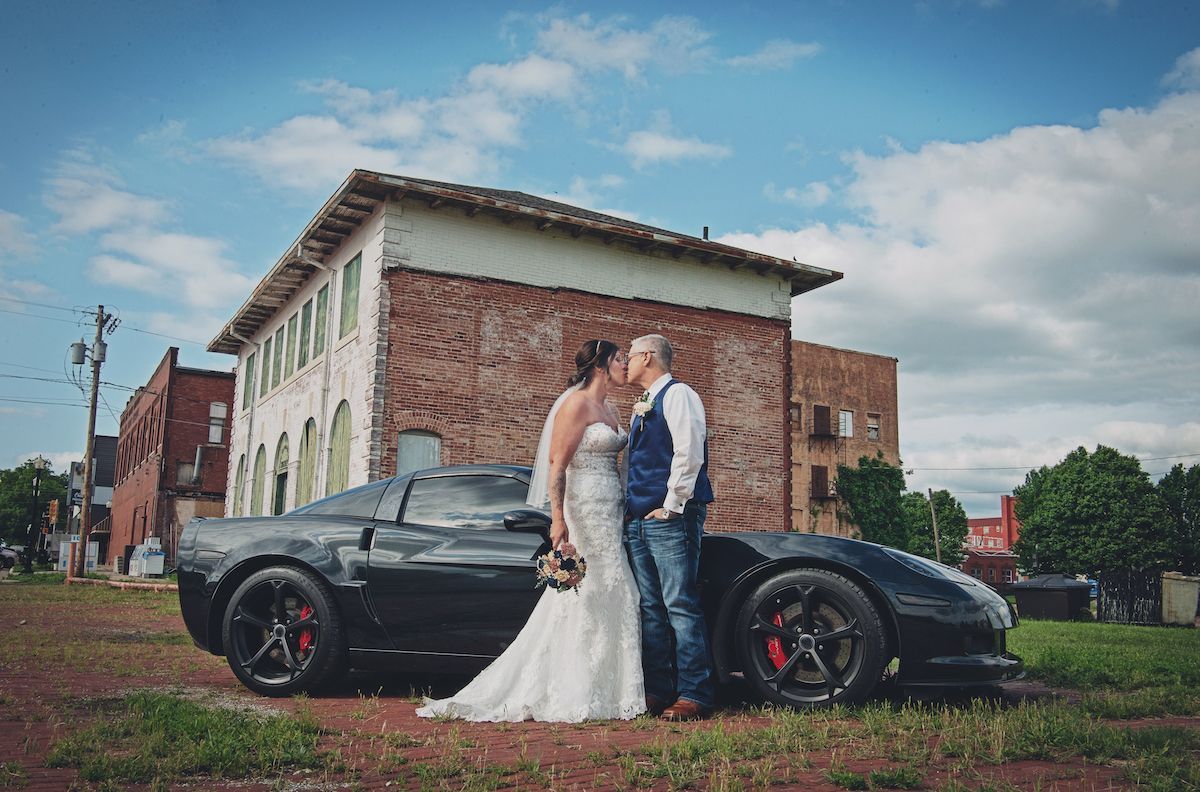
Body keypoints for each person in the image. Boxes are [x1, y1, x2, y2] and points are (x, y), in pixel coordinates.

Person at [416, 340, 645, 722]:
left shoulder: (612, 408)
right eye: (620, 358)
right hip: (584, 509)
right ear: (602, 364)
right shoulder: (575, 405)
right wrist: (558, 518)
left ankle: (611, 691)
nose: (626, 364)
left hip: (611, 510)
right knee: (583, 596)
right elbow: (557, 466)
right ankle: (573, 690)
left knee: (618, 592)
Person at [624, 334, 716, 721]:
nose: (625, 363)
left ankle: (695, 693)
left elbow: (689, 450)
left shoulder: (679, 395)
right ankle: (658, 691)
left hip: (669, 517)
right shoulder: (642, 404)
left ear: (647, 357)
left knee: (680, 604)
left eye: (629, 356)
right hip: (638, 520)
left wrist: (671, 506)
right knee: (651, 607)